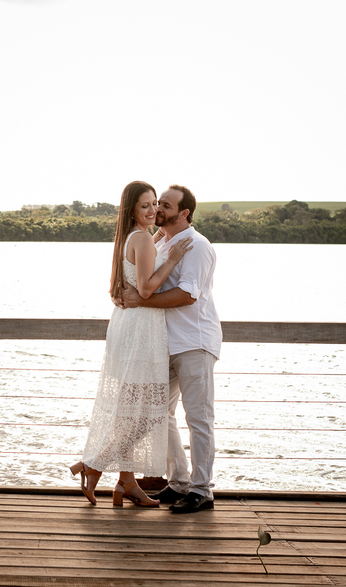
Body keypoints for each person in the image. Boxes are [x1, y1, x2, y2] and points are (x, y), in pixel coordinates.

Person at [69, 181, 192, 507]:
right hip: (141, 328)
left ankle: (126, 483)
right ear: (132, 210)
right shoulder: (143, 240)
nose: (153, 210)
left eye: (156, 204)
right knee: (145, 412)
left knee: (132, 410)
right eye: (146, 206)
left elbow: (141, 263)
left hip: (129, 325)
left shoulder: (132, 237)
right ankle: (93, 465)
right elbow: (148, 289)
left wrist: (158, 243)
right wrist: (174, 258)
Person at [120, 184, 221, 514]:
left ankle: (202, 489)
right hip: (163, 343)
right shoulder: (160, 242)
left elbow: (187, 295)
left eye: (165, 204)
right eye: (157, 203)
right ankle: (179, 482)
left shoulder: (197, 246)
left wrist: (141, 299)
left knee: (199, 418)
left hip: (194, 342)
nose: (158, 208)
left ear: (185, 213)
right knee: (158, 413)